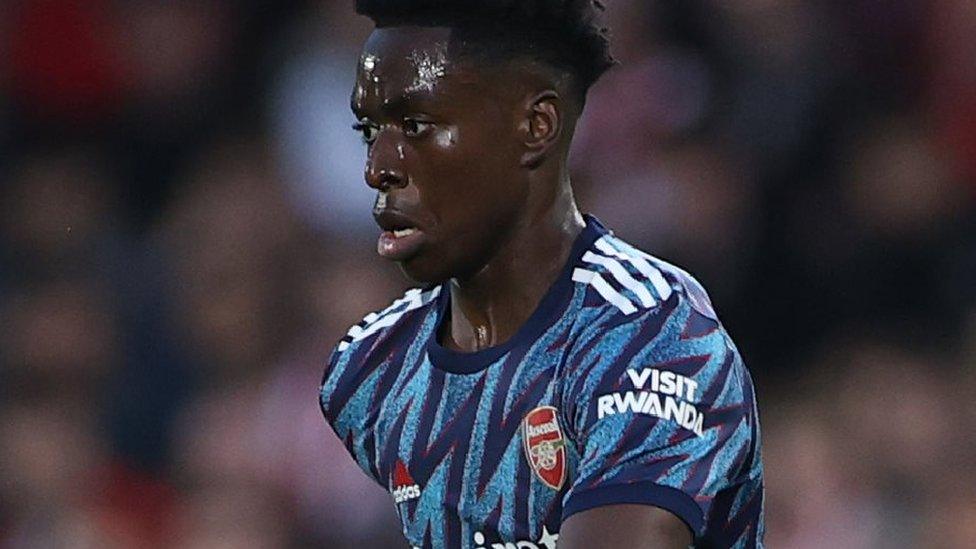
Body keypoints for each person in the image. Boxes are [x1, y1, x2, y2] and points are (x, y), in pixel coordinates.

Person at [319, 1, 764, 547]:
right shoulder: (371, 370)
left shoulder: (651, 336)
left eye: (416, 125)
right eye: (370, 130)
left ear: (536, 126)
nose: (378, 168)